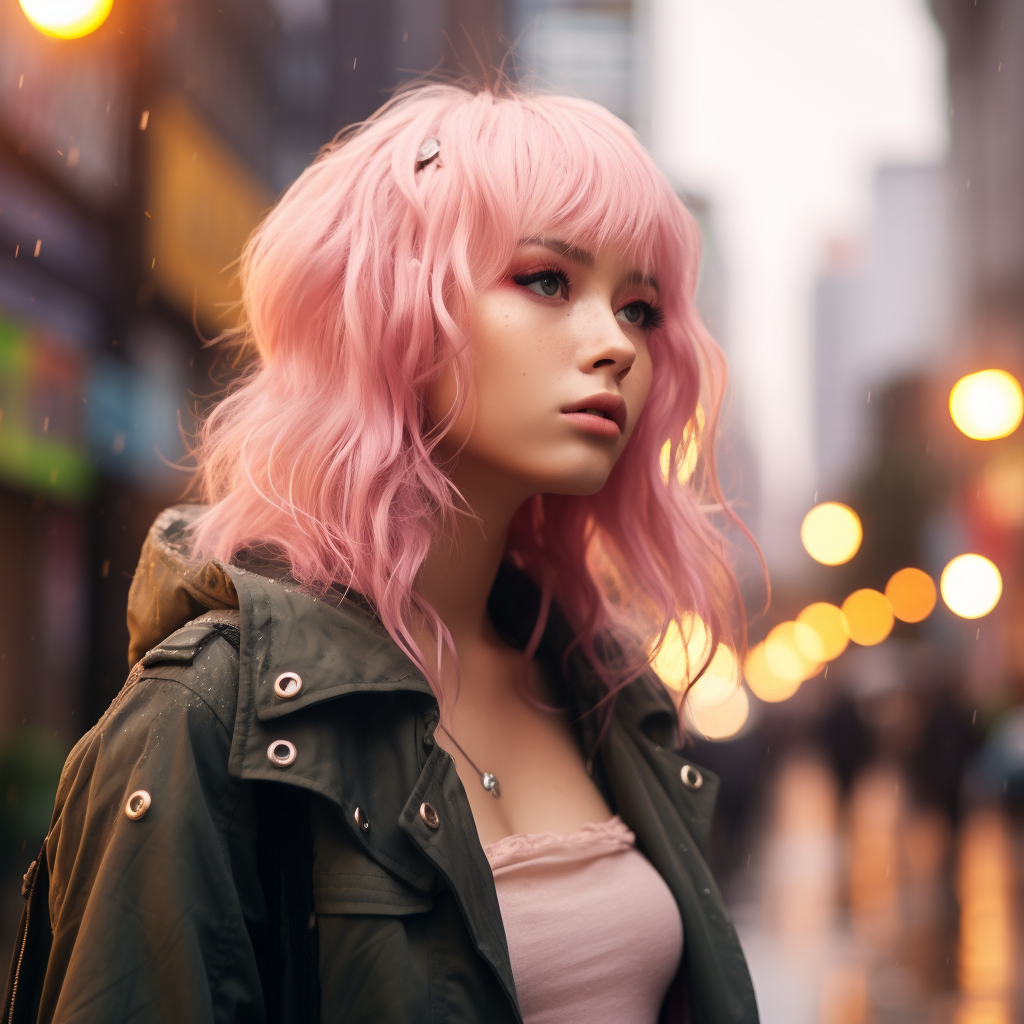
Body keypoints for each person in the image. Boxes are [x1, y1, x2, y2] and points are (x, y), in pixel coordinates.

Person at [4, 79, 759, 1024]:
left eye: (640, 308)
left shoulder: (600, 688)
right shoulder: (206, 718)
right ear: (393, 302)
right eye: (547, 281)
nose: (615, 345)